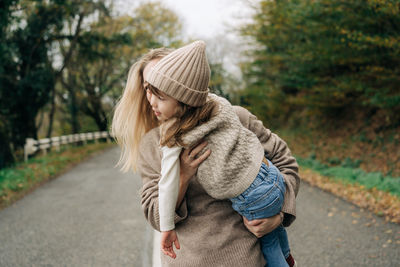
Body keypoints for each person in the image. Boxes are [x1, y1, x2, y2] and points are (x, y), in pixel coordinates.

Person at [112, 43, 300, 267]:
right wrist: (181, 176)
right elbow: (155, 215)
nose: (154, 95)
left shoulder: (233, 117)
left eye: (162, 87)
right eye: (148, 87)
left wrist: (278, 216)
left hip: (250, 259)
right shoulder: (152, 145)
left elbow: (285, 162)